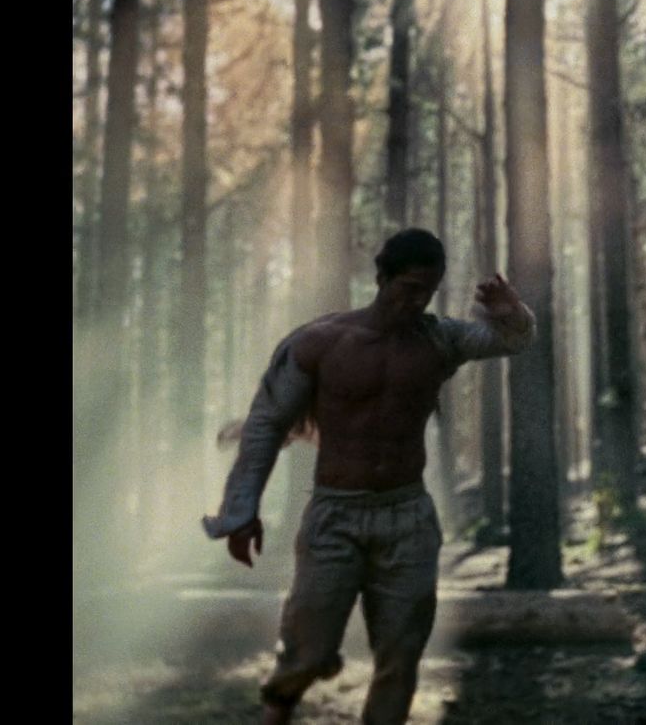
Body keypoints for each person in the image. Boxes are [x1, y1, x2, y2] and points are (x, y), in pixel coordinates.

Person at [202, 228, 535, 725]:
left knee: (400, 656)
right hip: (335, 515)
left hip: (408, 517)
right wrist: (240, 513)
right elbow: (267, 425)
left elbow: (514, 341)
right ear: (381, 279)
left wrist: (511, 310)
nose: (416, 301)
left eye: (427, 291)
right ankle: (277, 711)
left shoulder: (440, 339)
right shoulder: (320, 342)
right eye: (407, 289)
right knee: (309, 650)